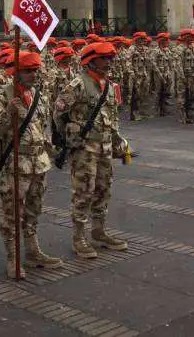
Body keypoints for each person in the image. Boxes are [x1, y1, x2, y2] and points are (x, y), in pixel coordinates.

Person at [0, 52, 62, 279]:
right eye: (27, 71)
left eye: (34, 71)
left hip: (39, 162)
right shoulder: (2, 96)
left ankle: (32, 251)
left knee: (33, 209)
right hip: (16, 164)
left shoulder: (39, 95)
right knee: (12, 213)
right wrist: (8, 112)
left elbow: (42, 127)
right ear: (15, 72)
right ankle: (13, 259)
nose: (32, 75)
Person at [53, 42, 130, 259]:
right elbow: (58, 113)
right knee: (83, 193)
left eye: (110, 58)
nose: (109, 62)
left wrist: (117, 141)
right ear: (90, 60)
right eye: (104, 58)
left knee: (103, 190)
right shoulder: (78, 84)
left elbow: (113, 117)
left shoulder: (110, 85)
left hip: (105, 146)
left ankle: (99, 231)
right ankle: (78, 238)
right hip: (85, 148)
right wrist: (70, 136)